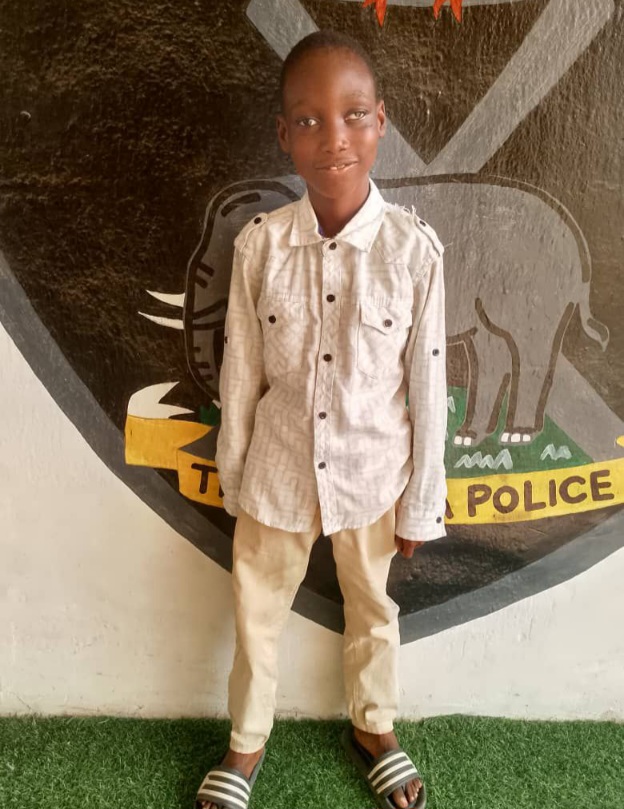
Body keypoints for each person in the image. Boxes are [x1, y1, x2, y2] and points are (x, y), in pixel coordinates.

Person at [196, 29, 447, 809]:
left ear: (381, 122)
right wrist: (235, 476)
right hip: (275, 473)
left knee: (372, 608)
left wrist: (421, 503)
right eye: (308, 120)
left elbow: (428, 382)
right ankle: (246, 741)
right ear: (284, 134)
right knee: (256, 612)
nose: (333, 137)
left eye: (353, 115)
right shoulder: (260, 246)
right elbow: (241, 371)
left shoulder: (414, 251)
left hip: (374, 475)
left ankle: (375, 727)